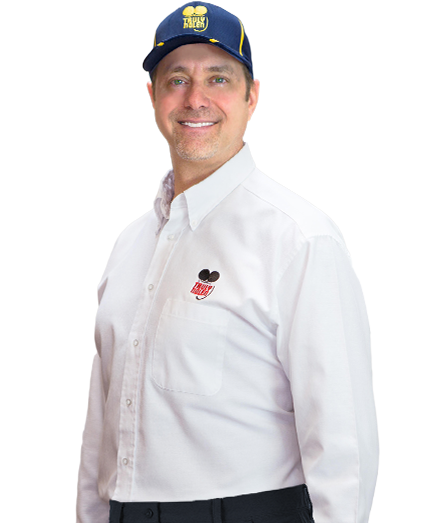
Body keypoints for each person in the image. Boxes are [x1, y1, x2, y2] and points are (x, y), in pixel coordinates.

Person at [76, 3, 379, 523]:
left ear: (251, 96)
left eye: (218, 78)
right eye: (177, 79)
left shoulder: (298, 239)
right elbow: (101, 433)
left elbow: (343, 444)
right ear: (152, 96)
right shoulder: (129, 247)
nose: (196, 98)